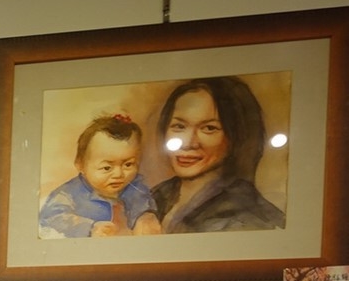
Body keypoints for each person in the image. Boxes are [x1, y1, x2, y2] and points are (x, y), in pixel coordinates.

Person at [151, 76, 285, 233]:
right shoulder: (154, 197)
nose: (188, 143)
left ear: (235, 136)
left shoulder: (248, 218)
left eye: (209, 128)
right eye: (179, 126)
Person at [39, 114, 161, 238]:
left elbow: (141, 201)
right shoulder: (69, 192)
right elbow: (50, 217)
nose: (119, 174)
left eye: (128, 164)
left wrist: (145, 217)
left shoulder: (134, 185)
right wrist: (90, 228)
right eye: (107, 168)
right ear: (81, 165)